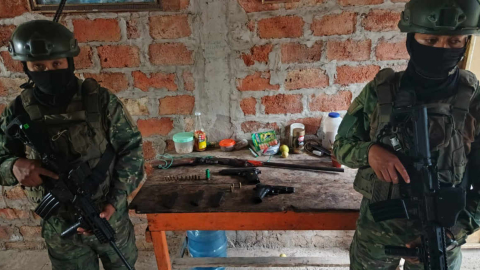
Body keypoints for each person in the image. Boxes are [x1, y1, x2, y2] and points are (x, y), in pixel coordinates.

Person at [333, 0, 480, 269]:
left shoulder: (474, 100)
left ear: (465, 42)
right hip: (377, 232)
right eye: (431, 40)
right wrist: (370, 152)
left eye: (454, 41)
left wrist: (453, 233)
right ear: (412, 38)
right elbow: (341, 146)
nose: (442, 49)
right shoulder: (381, 90)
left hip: (442, 235)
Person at [0, 20, 144, 269]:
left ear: (70, 60)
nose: (49, 72)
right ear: (27, 68)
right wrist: (14, 166)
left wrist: (113, 204)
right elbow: (2, 158)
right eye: (39, 66)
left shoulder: (101, 101)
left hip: (110, 219)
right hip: (61, 229)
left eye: (56, 63)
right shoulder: (18, 111)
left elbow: (131, 151)